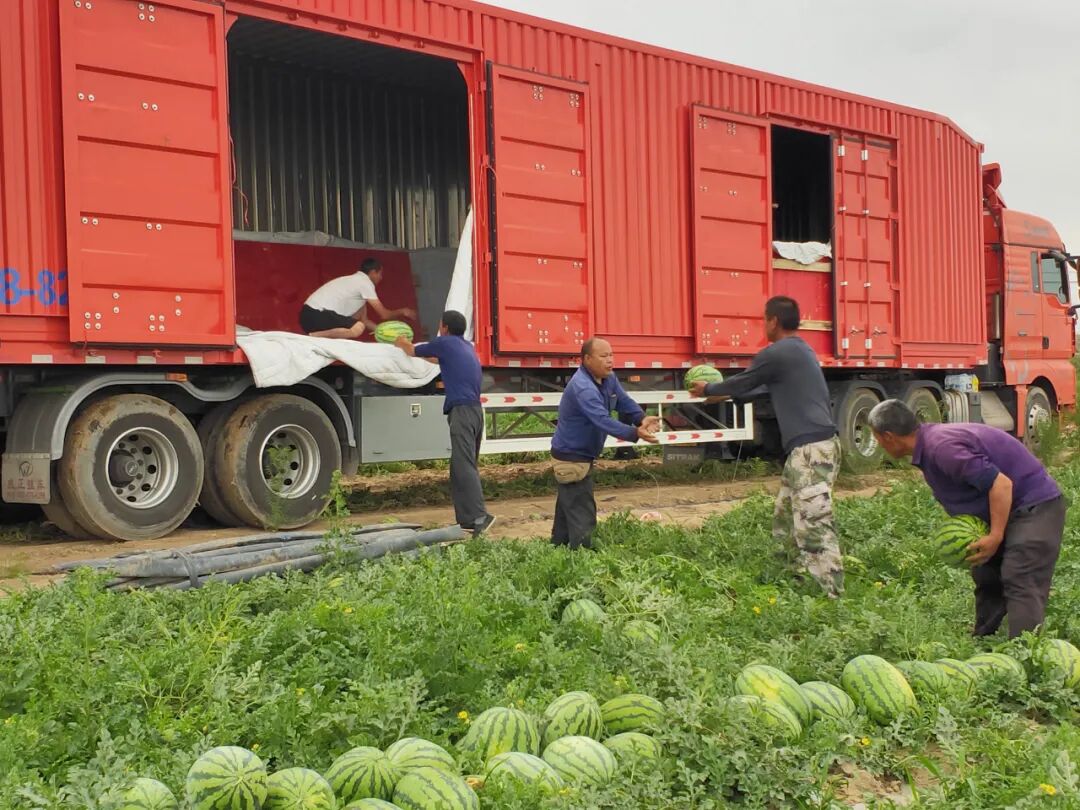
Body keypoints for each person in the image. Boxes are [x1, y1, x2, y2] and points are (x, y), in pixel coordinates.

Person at [869, 399, 1066, 639]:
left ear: (888, 436)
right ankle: (985, 639)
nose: (879, 444)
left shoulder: (942, 447)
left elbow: (1001, 485)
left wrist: (995, 536)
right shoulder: (930, 444)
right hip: (1010, 509)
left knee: (1020, 574)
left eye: (877, 438)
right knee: (987, 574)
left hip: (1035, 505)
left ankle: (1028, 655)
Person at [691, 296, 843, 597]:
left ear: (773, 320)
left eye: (764, 319)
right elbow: (762, 388)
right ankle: (794, 579)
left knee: (814, 523)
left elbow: (746, 380)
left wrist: (709, 389)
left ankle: (830, 594)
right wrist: (725, 396)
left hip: (812, 451)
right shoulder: (800, 350)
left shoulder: (777, 352)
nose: (764, 325)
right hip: (812, 449)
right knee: (786, 517)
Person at [550, 338, 660, 549]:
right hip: (571, 456)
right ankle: (584, 557)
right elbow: (602, 420)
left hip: (583, 454)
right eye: (603, 356)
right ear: (587, 359)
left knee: (569, 505)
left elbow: (622, 399)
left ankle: (558, 548)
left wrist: (640, 417)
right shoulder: (583, 387)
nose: (609, 361)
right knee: (582, 511)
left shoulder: (607, 378)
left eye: (611, 355)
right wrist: (635, 432)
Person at [396, 311, 495, 534]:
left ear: (445, 327)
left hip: (462, 412)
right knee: (460, 466)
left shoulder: (445, 343)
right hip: (475, 411)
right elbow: (434, 358)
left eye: (440, 325)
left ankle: (480, 516)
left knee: (464, 466)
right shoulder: (465, 347)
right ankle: (467, 520)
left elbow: (412, 351)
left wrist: (401, 342)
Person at [299, 258, 416, 339]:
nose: (381, 278)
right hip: (316, 314)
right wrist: (403, 311)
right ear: (372, 272)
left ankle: (317, 335)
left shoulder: (355, 285)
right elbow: (384, 314)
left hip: (308, 317)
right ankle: (315, 336)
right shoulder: (364, 283)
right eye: (380, 274)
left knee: (357, 325)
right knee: (358, 328)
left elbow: (364, 321)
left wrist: (389, 334)